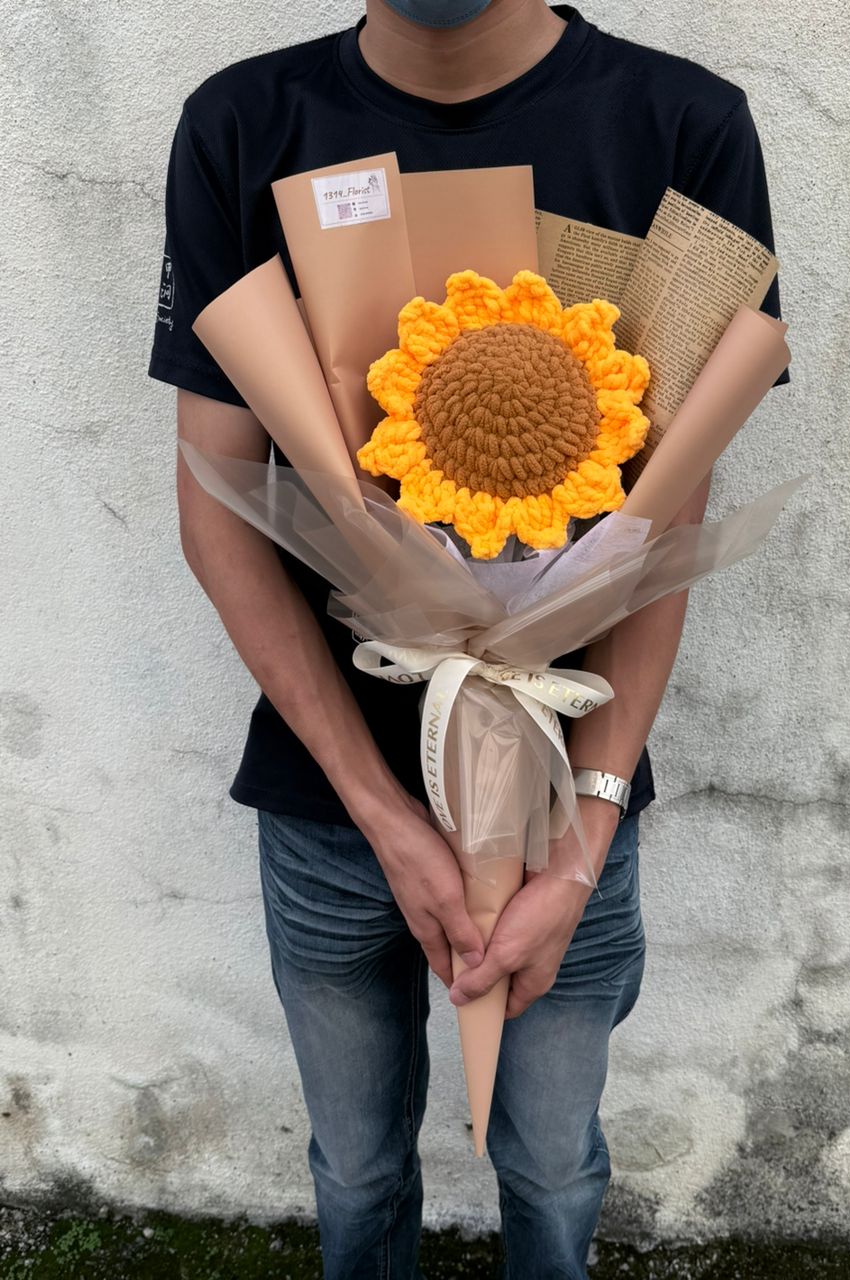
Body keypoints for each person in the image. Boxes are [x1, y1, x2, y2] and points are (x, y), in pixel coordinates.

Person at [149, 2, 786, 1275]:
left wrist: (587, 826)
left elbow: (665, 536)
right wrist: (383, 812)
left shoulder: (681, 127)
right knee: (355, 1168)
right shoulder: (245, 122)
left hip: (566, 808)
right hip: (330, 809)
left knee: (554, 1168)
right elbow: (220, 510)